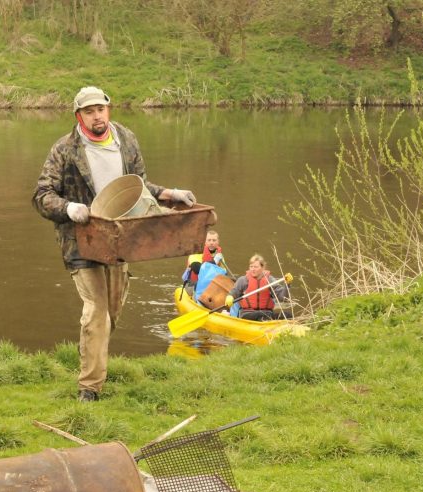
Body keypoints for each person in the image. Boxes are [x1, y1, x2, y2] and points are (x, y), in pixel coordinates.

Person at [33, 85, 196, 402]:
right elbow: (42, 196)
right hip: (82, 240)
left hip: (122, 239)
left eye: (101, 109)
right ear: (79, 116)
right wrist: (69, 208)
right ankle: (89, 388)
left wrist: (170, 194)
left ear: (108, 110)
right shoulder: (64, 149)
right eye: (89, 111)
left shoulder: (126, 139)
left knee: (111, 313)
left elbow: (139, 187)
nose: (97, 116)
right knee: (96, 312)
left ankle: (92, 356)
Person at [225, 254, 293, 321]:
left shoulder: (270, 280)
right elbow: (234, 292)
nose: (253, 269)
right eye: (251, 267)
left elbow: (283, 298)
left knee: (288, 315)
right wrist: (230, 297)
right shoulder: (243, 280)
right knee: (259, 314)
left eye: (255, 267)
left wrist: (287, 285)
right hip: (247, 315)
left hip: (267, 314)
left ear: (263, 268)